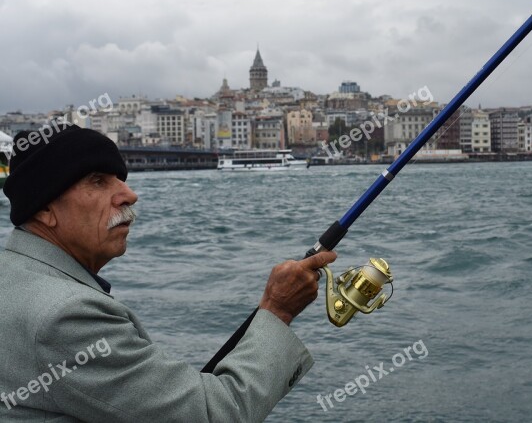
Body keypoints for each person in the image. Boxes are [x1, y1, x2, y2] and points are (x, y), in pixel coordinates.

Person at [0, 124, 336, 422]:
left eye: (121, 179)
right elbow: (214, 415)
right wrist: (278, 311)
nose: (129, 195)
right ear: (45, 208)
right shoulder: (66, 317)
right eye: (98, 181)